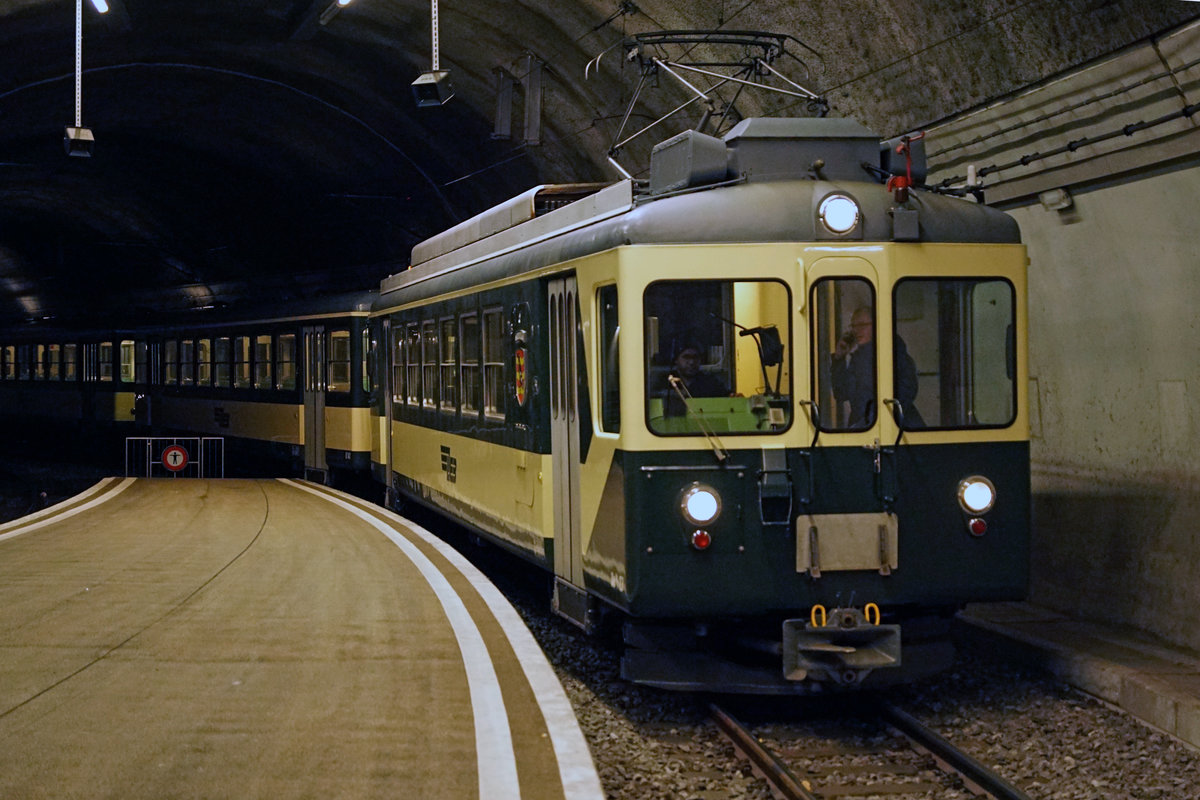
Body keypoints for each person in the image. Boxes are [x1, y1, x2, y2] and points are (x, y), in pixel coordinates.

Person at [830, 307, 923, 428]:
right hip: (864, 426)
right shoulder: (858, 358)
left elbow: (907, 390)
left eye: (863, 325)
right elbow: (841, 393)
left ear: (877, 325)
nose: (857, 331)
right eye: (853, 326)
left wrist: (873, 418)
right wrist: (839, 358)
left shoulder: (895, 351)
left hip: (895, 425)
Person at [659, 342, 728, 399]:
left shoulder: (710, 382)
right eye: (686, 357)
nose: (691, 362)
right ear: (676, 360)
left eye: (695, 357)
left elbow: (726, 397)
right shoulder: (665, 382)